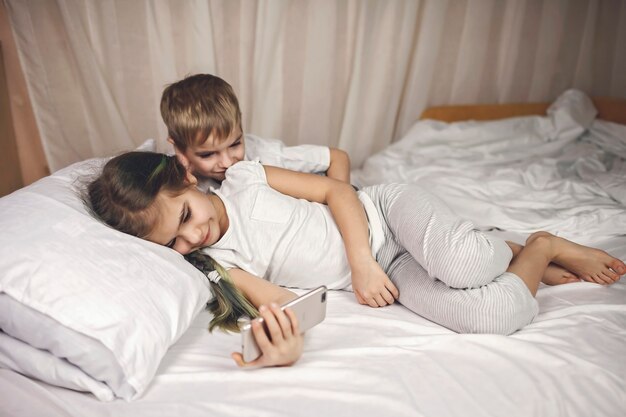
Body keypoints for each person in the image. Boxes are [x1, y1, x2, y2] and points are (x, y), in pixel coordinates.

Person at [87, 152, 625, 368]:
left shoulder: (246, 179)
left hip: (383, 215)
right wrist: (281, 345)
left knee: (466, 266)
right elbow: (283, 302)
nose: (193, 237)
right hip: (391, 270)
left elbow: (339, 193)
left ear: (186, 178)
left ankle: (504, 247)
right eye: (173, 244)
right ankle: (538, 249)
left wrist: (362, 262)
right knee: (489, 318)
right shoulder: (217, 261)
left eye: (184, 217)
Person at [160, 73, 351, 191]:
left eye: (235, 143)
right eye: (208, 154)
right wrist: (185, 176)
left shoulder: (266, 155)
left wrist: (338, 207)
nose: (227, 162)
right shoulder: (177, 180)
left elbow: (338, 157)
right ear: (179, 148)